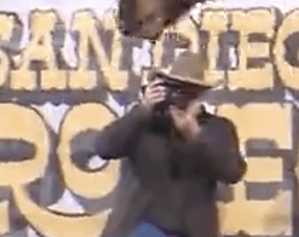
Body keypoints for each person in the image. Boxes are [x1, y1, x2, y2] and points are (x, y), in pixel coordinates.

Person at [93, 51, 246, 237]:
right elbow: (104, 147)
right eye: (176, 90)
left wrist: (195, 136)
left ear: (200, 95)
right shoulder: (143, 123)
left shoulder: (216, 128)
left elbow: (232, 172)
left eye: (190, 93)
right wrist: (144, 110)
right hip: (138, 227)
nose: (182, 99)